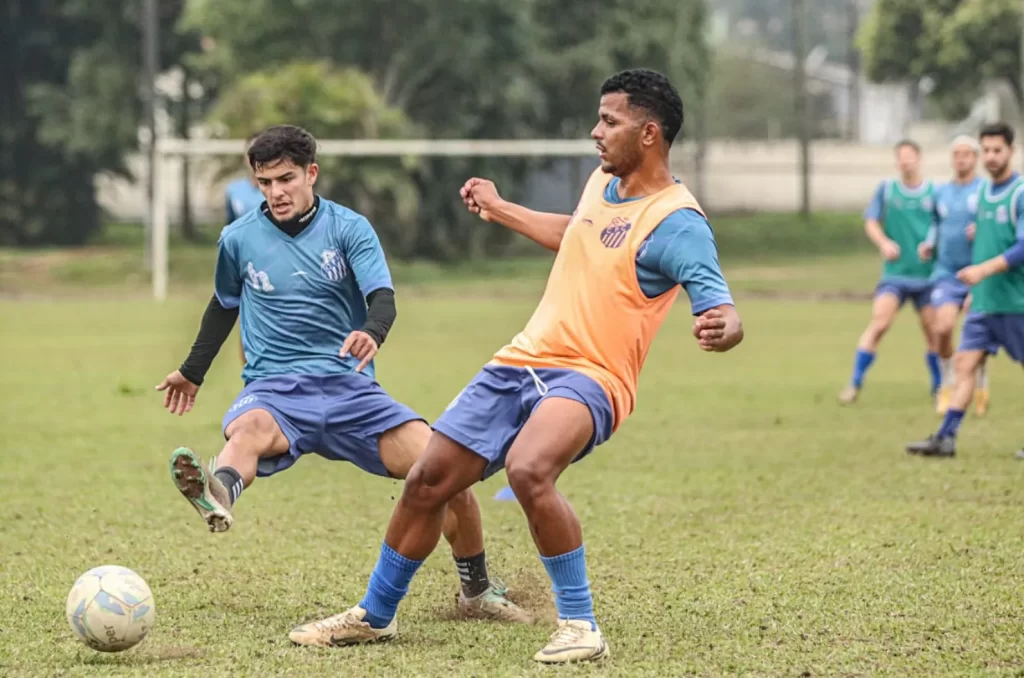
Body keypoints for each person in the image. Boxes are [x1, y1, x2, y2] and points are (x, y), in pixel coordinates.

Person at [288, 69, 743, 663]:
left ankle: (580, 626)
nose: (594, 131)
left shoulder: (677, 221)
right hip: (521, 360)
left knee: (529, 469)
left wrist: (723, 326)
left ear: (650, 133)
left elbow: (721, 304)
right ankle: (374, 617)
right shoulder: (602, 184)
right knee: (428, 479)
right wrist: (502, 209)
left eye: (609, 120)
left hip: (592, 377)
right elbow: (579, 235)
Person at [155, 124, 529, 623]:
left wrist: (372, 332)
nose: (276, 192)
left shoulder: (349, 228)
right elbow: (224, 306)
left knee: (443, 472)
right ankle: (218, 492)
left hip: (349, 388)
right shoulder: (238, 238)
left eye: (286, 179)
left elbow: (382, 298)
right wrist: (192, 371)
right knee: (247, 430)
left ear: (312, 173)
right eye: (264, 183)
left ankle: (477, 590)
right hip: (276, 387)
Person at [906, 122, 1024, 459]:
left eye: (996, 150)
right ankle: (946, 437)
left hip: (1016, 302)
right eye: (986, 150)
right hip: (985, 301)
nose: (990, 156)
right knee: (964, 364)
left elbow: (1022, 247)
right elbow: (985, 242)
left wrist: (982, 270)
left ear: (1011, 152)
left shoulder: (1019, 192)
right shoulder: (983, 194)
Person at [839, 141, 939, 405]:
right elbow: (871, 222)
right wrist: (884, 242)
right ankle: (855, 382)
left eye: (909, 157)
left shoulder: (934, 192)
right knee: (880, 324)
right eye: (900, 158)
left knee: (933, 333)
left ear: (919, 159)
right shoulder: (887, 190)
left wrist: (933, 244)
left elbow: (942, 225)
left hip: (927, 276)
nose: (905, 162)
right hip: (895, 274)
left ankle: (940, 386)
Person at [919, 136, 990, 416]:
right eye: (956, 154)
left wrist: (982, 230)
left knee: (979, 333)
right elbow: (935, 223)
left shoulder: (986, 190)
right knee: (942, 328)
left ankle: (981, 381)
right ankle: (947, 382)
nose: (961, 159)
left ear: (975, 158)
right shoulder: (941, 192)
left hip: (979, 272)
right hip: (947, 272)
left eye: (966, 154)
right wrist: (929, 242)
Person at [223, 135, 266, 367]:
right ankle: (254, 383)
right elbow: (230, 229)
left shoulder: (279, 190)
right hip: (245, 269)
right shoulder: (233, 191)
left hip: (278, 264)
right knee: (246, 328)